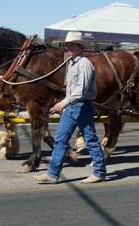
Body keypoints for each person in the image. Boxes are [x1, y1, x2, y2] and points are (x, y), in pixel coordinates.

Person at [34, 31, 107, 184]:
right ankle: (52, 174)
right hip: (71, 107)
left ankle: (99, 172)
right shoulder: (72, 63)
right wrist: (65, 104)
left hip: (82, 106)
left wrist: (63, 103)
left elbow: (82, 89)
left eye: (72, 45)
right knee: (60, 140)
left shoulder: (85, 64)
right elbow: (70, 88)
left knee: (90, 139)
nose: (68, 48)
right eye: (67, 45)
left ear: (80, 47)